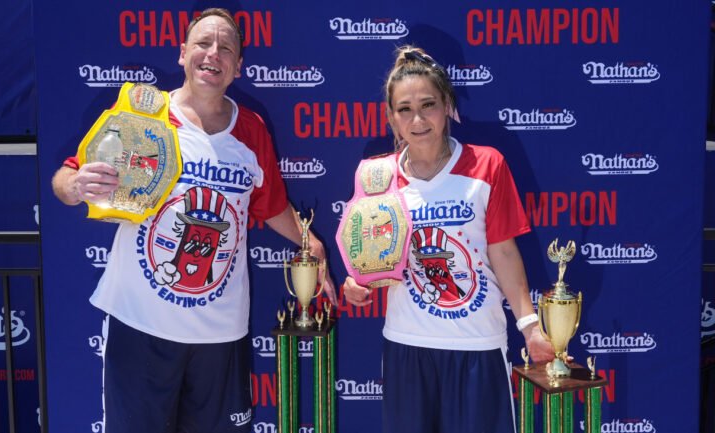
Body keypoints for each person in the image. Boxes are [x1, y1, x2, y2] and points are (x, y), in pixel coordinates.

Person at [51, 8, 336, 433]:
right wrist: (75, 185)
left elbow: (272, 205)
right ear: (182, 53)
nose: (213, 54)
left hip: (220, 334)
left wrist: (309, 243)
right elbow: (67, 175)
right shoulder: (145, 115)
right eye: (203, 43)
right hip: (140, 326)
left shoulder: (252, 130)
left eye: (226, 48)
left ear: (238, 66)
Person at [341, 46, 554, 433]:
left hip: (477, 345)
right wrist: (358, 282)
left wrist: (530, 325)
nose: (417, 119)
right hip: (407, 346)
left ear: (447, 106)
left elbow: (503, 251)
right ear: (391, 118)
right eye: (404, 109)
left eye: (428, 104)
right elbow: (371, 260)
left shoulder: (487, 165)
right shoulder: (377, 176)